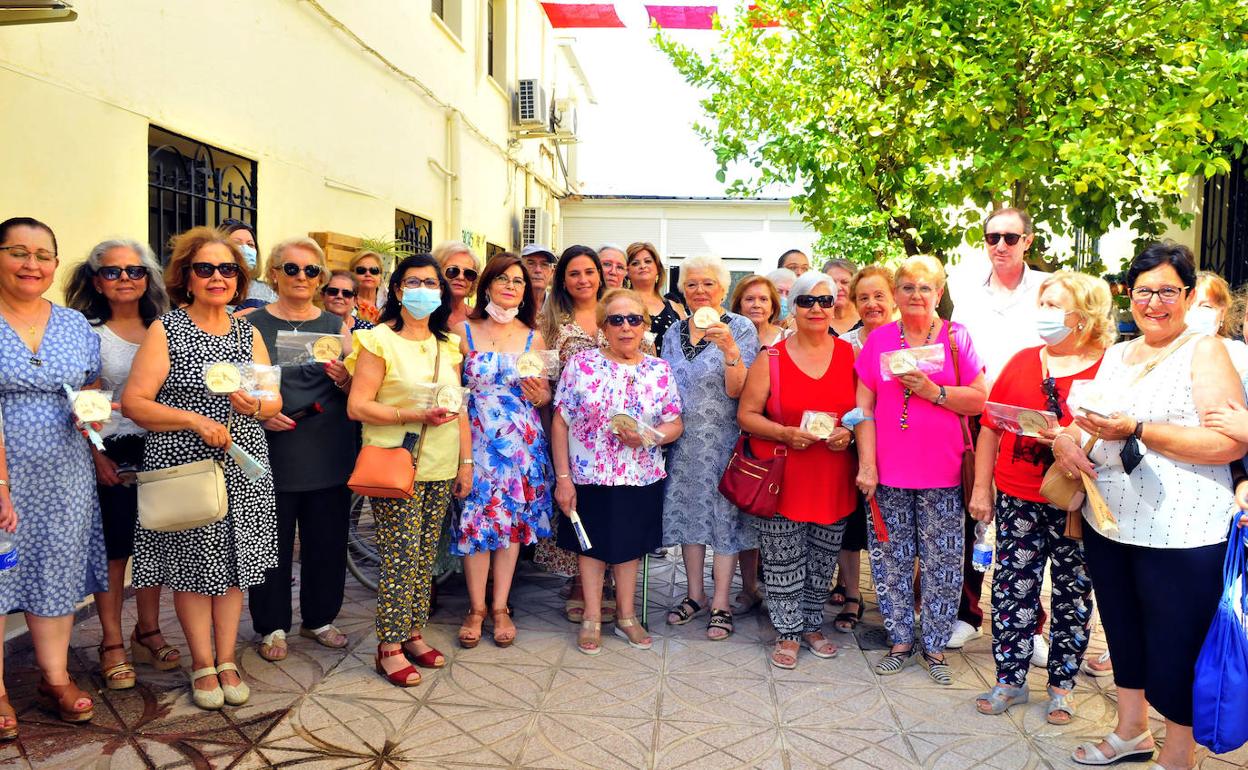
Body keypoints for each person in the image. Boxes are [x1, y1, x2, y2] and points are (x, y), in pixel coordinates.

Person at [1052, 243, 1246, 769]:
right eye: (1144, 291)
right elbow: (1086, 420)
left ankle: (1179, 755)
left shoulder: (1205, 351)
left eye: (1167, 291)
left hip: (1182, 530)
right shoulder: (1118, 353)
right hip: (1110, 520)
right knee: (1122, 628)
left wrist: (1138, 429)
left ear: (1186, 295)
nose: (1155, 303)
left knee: (1176, 644)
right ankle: (1131, 731)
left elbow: (1228, 444)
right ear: (1128, 295)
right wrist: (1066, 442)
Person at [123, 226, 281, 710]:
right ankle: (202, 663)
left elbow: (272, 397)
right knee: (194, 570)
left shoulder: (247, 332)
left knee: (233, 565)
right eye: (205, 268)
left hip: (241, 461)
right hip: (184, 464)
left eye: (228, 268)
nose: (217, 276)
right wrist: (194, 420)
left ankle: (228, 657)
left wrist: (253, 407)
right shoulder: (166, 330)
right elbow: (134, 402)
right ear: (186, 277)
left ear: (240, 279)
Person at [969, 272, 1114, 724]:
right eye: (1043, 303)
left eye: (1055, 306)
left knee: (1073, 593)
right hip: (1018, 495)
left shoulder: (1109, 367)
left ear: (1085, 317)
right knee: (1014, 588)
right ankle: (1009, 680)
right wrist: (981, 488)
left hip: (1076, 501)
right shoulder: (1022, 362)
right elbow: (990, 426)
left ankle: (1061, 687)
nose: (1044, 314)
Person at [855, 255, 988, 685]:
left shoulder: (956, 338)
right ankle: (898, 640)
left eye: (925, 287)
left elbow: (980, 400)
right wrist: (867, 465)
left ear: (939, 293)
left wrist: (935, 391)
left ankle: (933, 646)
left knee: (944, 563)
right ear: (896, 294)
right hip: (889, 474)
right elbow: (864, 409)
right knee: (890, 560)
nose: (915, 295)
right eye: (908, 287)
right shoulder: (880, 341)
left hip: (944, 475)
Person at [0, 217, 108, 731]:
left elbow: (92, 381)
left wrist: (94, 406)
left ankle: (55, 676)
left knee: (54, 568)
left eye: (44, 255)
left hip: (65, 471)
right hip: (4, 471)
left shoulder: (73, 325)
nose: (32, 264)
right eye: (18, 252)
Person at [345, 254, 472, 687]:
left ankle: (413, 631)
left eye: (432, 284)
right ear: (398, 290)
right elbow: (358, 404)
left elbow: (460, 410)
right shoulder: (378, 340)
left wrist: (465, 463)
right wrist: (409, 412)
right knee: (399, 558)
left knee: (423, 558)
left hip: (440, 462)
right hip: (396, 462)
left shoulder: (447, 344)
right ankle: (389, 646)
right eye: (414, 282)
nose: (424, 291)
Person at [64, 238, 175, 691]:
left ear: (148, 278)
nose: (125, 279)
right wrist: (96, 456)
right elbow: (82, 399)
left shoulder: (166, 326)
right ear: (96, 280)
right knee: (114, 551)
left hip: (163, 449)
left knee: (154, 546)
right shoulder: (86, 331)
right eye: (113, 272)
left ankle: (147, 630)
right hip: (111, 450)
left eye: (135, 271)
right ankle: (111, 642)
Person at [238, 237, 354, 662]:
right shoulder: (251, 323)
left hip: (328, 445)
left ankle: (320, 618)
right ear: (273, 274)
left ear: (321, 278)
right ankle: (271, 626)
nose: (301, 277)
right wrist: (259, 413)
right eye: (291, 269)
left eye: (310, 271)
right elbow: (241, 382)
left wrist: (344, 379)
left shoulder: (336, 326)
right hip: (272, 445)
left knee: (326, 539)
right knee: (271, 542)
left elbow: (356, 386)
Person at [737, 271, 859, 669]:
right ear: (793, 306)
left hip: (832, 472)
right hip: (784, 474)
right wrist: (785, 433)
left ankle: (810, 623)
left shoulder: (850, 356)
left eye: (825, 300)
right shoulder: (770, 358)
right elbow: (747, 415)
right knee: (782, 557)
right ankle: (787, 631)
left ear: (835, 304)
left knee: (823, 556)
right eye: (807, 300)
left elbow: (863, 413)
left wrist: (848, 432)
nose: (817, 308)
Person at [552, 289, 684, 654]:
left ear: (645, 325)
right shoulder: (582, 364)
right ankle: (593, 617)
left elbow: (675, 423)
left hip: (640, 475)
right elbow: (560, 421)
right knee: (591, 547)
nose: (625, 327)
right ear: (602, 326)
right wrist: (563, 479)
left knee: (630, 548)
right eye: (616, 320)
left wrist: (649, 438)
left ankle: (627, 616)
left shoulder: (659, 369)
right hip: (589, 474)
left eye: (634, 320)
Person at [946, 207, 1049, 656]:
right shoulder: (966, 290)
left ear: (1028, 240)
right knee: (973, 513)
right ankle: (967, 614)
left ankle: (1033, 628)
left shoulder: (1046, 289)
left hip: (1031, 419)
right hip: (977, 416)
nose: (1000, 246)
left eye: (1010, 237)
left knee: (1030, 525)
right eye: (992, 238)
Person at [454, 254, 554, 648]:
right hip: (475, 438)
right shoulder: (463, 331)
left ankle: (500, 606)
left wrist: (542, 393)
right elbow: (453, 391)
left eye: (519, 281)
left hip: (519, 444)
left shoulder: (534, 336)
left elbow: (545, 393)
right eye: (503, 279)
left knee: (510, 525)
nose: (511, 286)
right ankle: (475, 607)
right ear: (488, 285)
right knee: (476, 521)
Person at [661, 256, 759, 639]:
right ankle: (694, 595)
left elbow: (739, 390)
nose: (699, 291)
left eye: (707, 284)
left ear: (722, 289)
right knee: (689, 517)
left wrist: (730, 348)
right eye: (691, 285)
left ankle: (720, 601)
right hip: (683, 442)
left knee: (723, 521)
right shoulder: (673, 332)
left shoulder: (741, 328)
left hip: (724, 441)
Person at [535, 246, 610, 622]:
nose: (583, 280)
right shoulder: (550, 322)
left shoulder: (617, 312)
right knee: (576, 504)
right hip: (570, 431)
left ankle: (610, 578)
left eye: (589, 272)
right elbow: (544, 380)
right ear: (562, 280)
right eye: (574, 273)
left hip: (616, 435)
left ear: (600, 275)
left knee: (613, 506)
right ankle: (582, 581)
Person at [828, 265, 897, 633]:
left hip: (901, 447)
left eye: (879, 296)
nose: (872, 304)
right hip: (855, 444)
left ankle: (899, 603)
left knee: (898, 529)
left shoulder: (912, 341)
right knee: (852, 524)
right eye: (864, 297)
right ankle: (853, 595)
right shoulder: (847, 345)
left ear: (894, 298)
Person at [626, 242, 685, 356]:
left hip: (671, 372)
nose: (643, 266)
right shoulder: (619, 305)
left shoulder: (674, 307)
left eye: (648, 261)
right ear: (627, 271)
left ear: (658, 268)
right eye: (635, 263)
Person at [1192, 271, 1248, 384]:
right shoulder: (1165, 350)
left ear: (1222, 313)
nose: (1194, 312)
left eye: (1206, 306)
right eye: (1188, 305)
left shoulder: (1238, 354)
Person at [222, 219, 276, 309]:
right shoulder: (215, 286)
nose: (245, 248)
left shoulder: (269, 291)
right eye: (237, 243)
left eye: (250, 245)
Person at [730, 275, 785, 347]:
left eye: (763, 299)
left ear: (773, 307)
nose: (756, 305)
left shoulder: (789, 338)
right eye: (749, 299)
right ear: (739, 306)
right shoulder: (726, 338)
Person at [435, 241, 480, 330]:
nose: (460, 277)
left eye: (468, 273)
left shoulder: (479, 319)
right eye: (453, 271)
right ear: (437, 273)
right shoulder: (425, 316)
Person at [822, 259, 862, 337]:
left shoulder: (867, 320)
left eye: (845, 282)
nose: (838, 287)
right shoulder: (815, 319)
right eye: (832, 282)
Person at [350, 250, 387, 325]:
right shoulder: (344, 299)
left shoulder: (390, 303)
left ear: (380, 276)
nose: (368, 274)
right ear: (352, 274)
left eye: (374, 270)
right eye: (361, 270)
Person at [521, 244, 556, 316]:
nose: (538, 270)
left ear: (552, 272)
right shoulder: (511, 303)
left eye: (544, 264)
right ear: (521, 269)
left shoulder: (558, 305)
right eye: (531, 263)